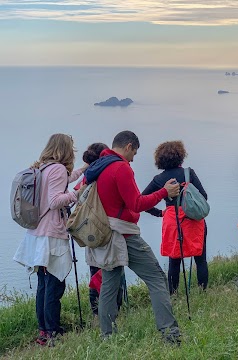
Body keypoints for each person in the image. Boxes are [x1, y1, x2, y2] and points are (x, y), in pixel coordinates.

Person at [84, 131, 182, 344]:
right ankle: (170, 334)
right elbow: (136, 204)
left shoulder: (98, 166)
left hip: (103, 234)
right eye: (134, 152)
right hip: (124, 234)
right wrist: (164, 192)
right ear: (128, 146)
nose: (133, 158)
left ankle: (107, 337)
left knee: (109, 284)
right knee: (156, 279)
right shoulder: (120, 168)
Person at [13, 134, 87, 346]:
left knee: (43, 285)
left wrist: (83, 169)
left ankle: (44, 331)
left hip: (37, 234)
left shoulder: (43, 167)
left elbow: (64, 179)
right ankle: (53, 331)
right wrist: (77, 193)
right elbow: (55, 200)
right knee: (54, 285)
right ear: (65, 149)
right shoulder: (57, 169)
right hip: (50, 236)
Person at [142, 141, 209, 295]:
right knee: (200, 258)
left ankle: (173, 294)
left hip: (172, 221)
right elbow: (204, 196)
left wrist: (159, 213)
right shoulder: (188, 173)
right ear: (180, 156)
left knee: (174, 261)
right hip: (192, 219)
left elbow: (143, 201)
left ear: (159, 160)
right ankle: (202, 292)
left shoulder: (159, 179)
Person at [74, 142, 125, 317]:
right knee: (113, 270)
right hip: (110, 229)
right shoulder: (109, 173)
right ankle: (113, 311)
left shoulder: (88, 176)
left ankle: (97, 311)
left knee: (95, 271)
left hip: (90, 230)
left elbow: (77, 197)